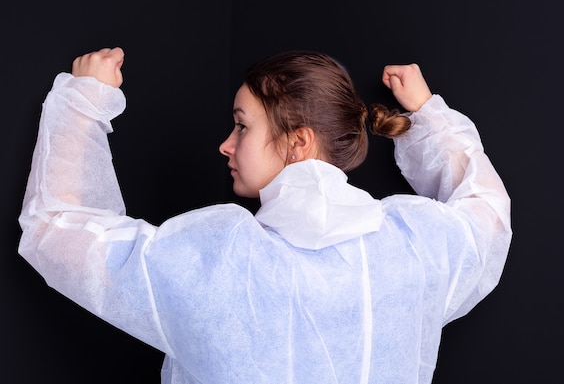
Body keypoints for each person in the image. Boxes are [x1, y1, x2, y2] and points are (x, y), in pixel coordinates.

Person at [18, 47, 512, 384]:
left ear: (298, 141)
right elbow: (487, 215)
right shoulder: (415, 246)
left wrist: (84, 101)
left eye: (241, 126)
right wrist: (425, 115)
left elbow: (56, 227)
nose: (226, 145)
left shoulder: (217, 257)